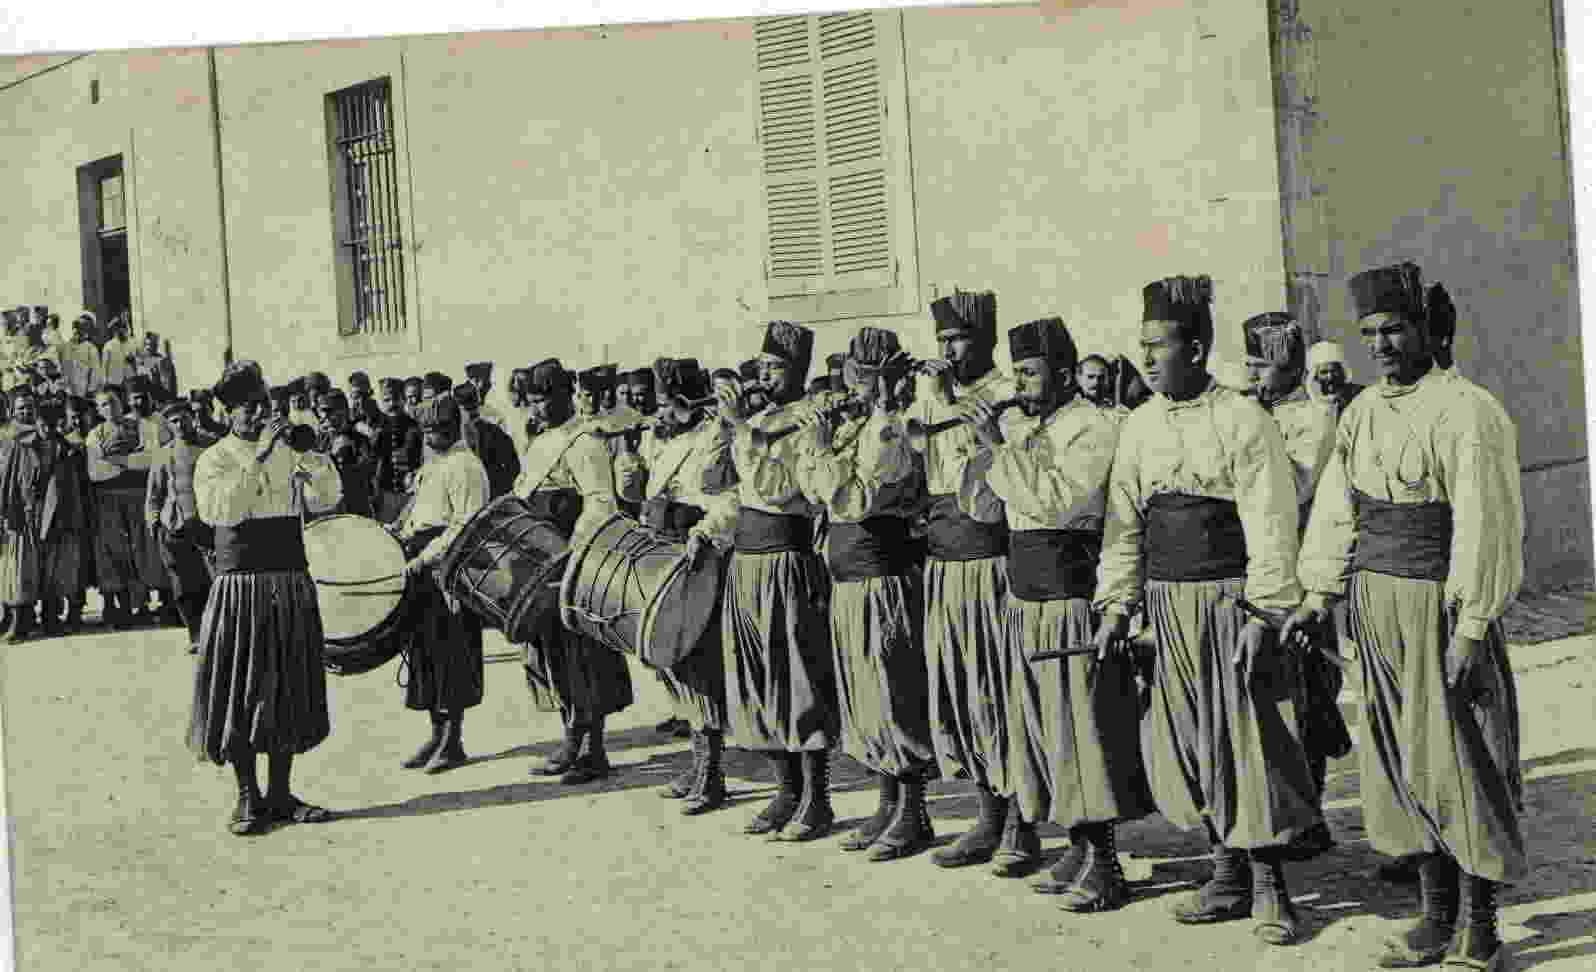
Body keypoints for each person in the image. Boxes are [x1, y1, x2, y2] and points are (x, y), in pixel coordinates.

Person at [1285, 262, 1525, 972]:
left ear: (1427, 330)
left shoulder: (1467, 409)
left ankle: (1481, 928)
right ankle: (1433, 915)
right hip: (1372, 604)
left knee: (1461, 761)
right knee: (1399, 762)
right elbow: (1337, 509)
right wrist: (1316, 595)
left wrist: (1471, 628)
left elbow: (1486, 524)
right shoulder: (1359, 413)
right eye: (1369, 333)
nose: (1382, 345)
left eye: (1394, 329)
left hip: (1439, 602)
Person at [1092, 275, 1320, 946]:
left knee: (1250, 738)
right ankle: (1226, 874)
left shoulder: (1244, 420)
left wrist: (1264, 611)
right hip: (1167, 607)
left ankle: (1273, 888)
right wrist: (1117, 607)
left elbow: (1273, 524)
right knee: (1191, 741)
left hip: (1232, 602)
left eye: (1157, 345)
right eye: (1141, 346)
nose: (1146, 358)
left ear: (1195, 349)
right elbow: (1123, 527)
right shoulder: (1138, 427)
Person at [964, 317, 1153, 908]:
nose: (1018, 382)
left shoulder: (1093, 427)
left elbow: (1056, 502)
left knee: (1084, 731)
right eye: (1015, 371)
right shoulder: (1023, 427)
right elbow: (985, 512)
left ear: (1065, 374)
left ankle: (1105, 862)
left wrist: (1000, 450)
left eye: (1028, 371)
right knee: (1044, 730)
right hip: (1025, 595)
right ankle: (1075, 844)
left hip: (1071, 595)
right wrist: (984, 450)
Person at [792, 328, 938, 860]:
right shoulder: (857, 428)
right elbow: (815, 494)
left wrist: (823, 448)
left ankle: (913, 813)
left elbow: (852, 500)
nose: (851, 386)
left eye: (861, 376)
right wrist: (821, 445)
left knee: (893, 691)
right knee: (864, 697)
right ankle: (886, 802)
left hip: (884, 578)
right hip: (850, 579)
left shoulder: (890, 430)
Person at [189, 360, 341, 836]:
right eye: (249, 409)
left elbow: (327, 498)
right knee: (241, 689)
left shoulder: (286, 452)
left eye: (265, 407)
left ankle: (281, 793)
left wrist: (311, 457)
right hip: (242, 585)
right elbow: (223, 512)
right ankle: (246, 796)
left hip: (290, 579)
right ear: (228, 412)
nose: (259, 416)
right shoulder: (215, 458)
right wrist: (258, 456)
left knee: (287, 685)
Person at [706, 321, 838, 841]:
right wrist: (727, 429)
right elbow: (717, 483)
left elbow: (780, 489)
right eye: (760, 366)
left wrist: (742, 430)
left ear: (799, 372)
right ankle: (785, 792)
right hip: (748, 558)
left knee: (798, 678)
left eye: (775, 368)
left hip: (786, 559)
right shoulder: (756, 419)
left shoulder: (807, 420)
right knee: (758, 679)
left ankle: (816, 798)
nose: (763, 376)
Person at [907, 290, 1020, 870]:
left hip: (991, 565)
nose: (949, 351)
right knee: (961, 691)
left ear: (985, 341)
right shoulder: (934, 398)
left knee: (998, 689)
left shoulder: (1007, 396)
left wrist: (948, 403)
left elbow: (991, 492)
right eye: (944, 341)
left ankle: (1019, 824)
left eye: (959, 339)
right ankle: (987, 815)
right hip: (945, 564)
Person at [1241, 312, 1349, 862]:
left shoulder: (1314, 416)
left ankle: (1311, 815)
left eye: (1262, 363)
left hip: (1305, 572)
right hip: (1259, 567)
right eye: (1251, 362)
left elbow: (1300, 484)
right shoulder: (1248, 410)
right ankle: (1281, 809)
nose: (1252, 372)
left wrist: (1255, 431)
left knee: (1310, 693)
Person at [515, 359, 634, 784]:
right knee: (555, 655)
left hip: (576, 559)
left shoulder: (586, 443)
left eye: (546, 398)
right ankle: (570, 738)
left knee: (586, 656)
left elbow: (601, 502)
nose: (540, 407)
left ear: (567, 395)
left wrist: (571, 552)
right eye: (533, 400)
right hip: (544, 562)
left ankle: (594, 750)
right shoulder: (540, 442)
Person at [639, 357, 737, 814]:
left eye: (665, 404)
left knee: (696, 664)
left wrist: (704, 534)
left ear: (682, 403)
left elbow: (726, 500)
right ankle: (697, 763)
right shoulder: (666, 440)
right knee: (671, 663)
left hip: (697, 555)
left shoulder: (713, 436)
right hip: (665, 550)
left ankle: (710, 772)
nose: (658, 412)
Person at [388, 393, 490, 774]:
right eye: (427, 430)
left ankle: (453, 740)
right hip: (422, 568)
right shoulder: (435, 464)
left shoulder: (465, 465)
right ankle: (436, 733)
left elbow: (466, 523)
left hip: (449, 569)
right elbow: (418, 511)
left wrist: (425, 558)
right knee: (425, 655)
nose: (431, 436)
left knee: (452, 654)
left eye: (439, 429)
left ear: (454, 428)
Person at [86, 384, 166, 628]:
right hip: (108, 499)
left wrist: (116, 459)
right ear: (98, 410)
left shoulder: (143, 427)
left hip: (138, 494)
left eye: (112, 401)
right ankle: (120, 606)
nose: (109, 407)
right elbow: (96, 472)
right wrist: (131, 461)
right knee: (114, 549)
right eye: (103, 404)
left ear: (122, 402)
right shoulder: (95, 434)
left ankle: (143, 604)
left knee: (142, 547)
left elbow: (150, 460)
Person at [145, 401, 214, 653]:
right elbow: (154, 494)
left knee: (212, 581)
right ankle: (195, 634)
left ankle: (214, 632)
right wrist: (153, 521)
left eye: (183, 418)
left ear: (192, 417)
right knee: (183, 585)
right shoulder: (163, 454)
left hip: (207, 525)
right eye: (173, 421)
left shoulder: (210, 446)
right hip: (174, 526)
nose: (180, 424)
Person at [32, 398, 93, 636]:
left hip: (68, 513)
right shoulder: (30, 447)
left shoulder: (69, 447)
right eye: (42, 423)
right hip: (41, 516)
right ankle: (49, 615)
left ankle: (73, 613)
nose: (46, 427)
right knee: (47, 569)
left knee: (70, 566)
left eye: (51, 423)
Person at [0, 387, 52, 641]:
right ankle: (10, 617)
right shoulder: (7, 436)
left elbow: (37, 474)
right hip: (7, 509)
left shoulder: (35, 437)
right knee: (8, 568)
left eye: (29, 407)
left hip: (26, 508)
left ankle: (21, 621)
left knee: (22, 566)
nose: (25, 411)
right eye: (20, 407)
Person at [315, 389, 377, 518]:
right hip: (330, 504)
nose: (325, 416)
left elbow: (368, 467)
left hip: (356, 503)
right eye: (322, 411)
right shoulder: (322, 439)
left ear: (342, 411)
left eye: (329, 411)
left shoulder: (358, 437)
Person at [452, 383, 520, 500]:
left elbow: (513, 467)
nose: (471, 413)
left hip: (486, 492)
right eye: (467, 408)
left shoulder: (493, 432)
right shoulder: (494, 431)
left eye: (472, 407)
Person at [372, 377, 424, 523]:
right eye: (386, 400)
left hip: (409, 495)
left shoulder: (415, 427)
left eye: (396, 399)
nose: (392, 404)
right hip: (384, 494)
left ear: (403, 399)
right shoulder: (377, 427)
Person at [1306, 341, 1364, 421]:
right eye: (1324, 372)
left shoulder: (1360, 395)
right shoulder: (1309, 402)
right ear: (1316, 376)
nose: (1330, 377)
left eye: (1334, 371)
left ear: (1342, 372)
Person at [60, 312, 101, 398]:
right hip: (67, 390)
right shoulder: (66, 347)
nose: (77, 331)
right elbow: (62, 367)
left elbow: (95, 372)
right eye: (75, 327)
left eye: (81, 328)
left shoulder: (91, 348)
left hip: (83, 390)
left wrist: (91, 389)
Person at [130, 331, 178, 400]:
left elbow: (167, 382)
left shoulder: (161, 360)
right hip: (141, 395)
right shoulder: (139, 360)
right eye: (147, 344)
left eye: (152, 344)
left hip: (157, 395)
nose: (148, 347)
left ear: (156, 345)